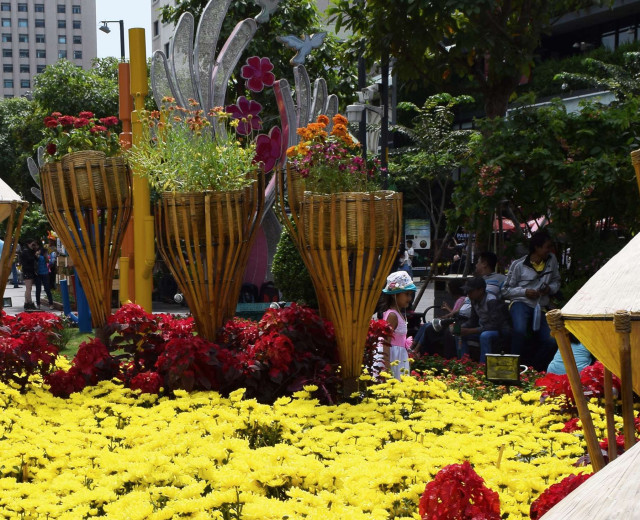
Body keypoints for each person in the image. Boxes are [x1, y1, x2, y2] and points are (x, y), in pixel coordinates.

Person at [502, 230, 561, 371]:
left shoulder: (551, 260)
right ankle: (513, 368)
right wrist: (524, 292)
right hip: (521, 303)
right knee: (520, 330)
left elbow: (556, 281)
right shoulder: (518, 265)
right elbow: (505, 290)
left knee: (551, 340)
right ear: (537, 247)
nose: (549, 250)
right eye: (547, 247)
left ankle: (533, 368)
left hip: (541, 305)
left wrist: (550, 289)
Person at [459, 276, 511, 363]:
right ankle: (463, 362)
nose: (468, 294)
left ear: (481, 290)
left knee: (485, 336)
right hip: (484, 328)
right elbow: (473, 320)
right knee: (459, 334)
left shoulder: (491, 300)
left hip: (500, 330)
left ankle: (483, 366)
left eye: (470, 291)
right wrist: (460, 327)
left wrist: (471, 330)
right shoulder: (474, 300)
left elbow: (495, 325)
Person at [412, 279, 469, 357]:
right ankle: (413, 346)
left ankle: (415, 349)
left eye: (448, 287)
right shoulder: (460, 300)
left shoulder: (461, 300)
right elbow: (453, 314)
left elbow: (455, 316)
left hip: (452, 324)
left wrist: (447, 309)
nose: (447, 289)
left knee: (428, 326)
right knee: (426, 325)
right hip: (450, 322)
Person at [377, 271, 417, 380]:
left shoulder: (399, 313)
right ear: (395, 294)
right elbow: (386, 342)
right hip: (393, 356)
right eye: (406, 294)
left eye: (410, 294)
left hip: (399, 356)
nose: (409, 298)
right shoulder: (393, 316)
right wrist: (387, 366)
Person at [19, 239, 38, 310]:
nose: (33, 246)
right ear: (28, 244)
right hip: (27, 271)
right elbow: (30, 259)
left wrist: (34, 251)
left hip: (30, 271)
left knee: (29, 288)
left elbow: (36, 259)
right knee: (28, 288)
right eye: (32, 244)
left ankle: (27, 302)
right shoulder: (26, 251)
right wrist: (34, 254)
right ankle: (29, 302)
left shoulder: (30, 251)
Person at [35, 245, 54, 309]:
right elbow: (51, 263)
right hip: (45, 274)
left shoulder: (38, 257)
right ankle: (51, 304)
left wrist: (37, 253)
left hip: (38, 274)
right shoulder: (46, 258)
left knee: (38, 290)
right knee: (47, 289)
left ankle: (38, 304)